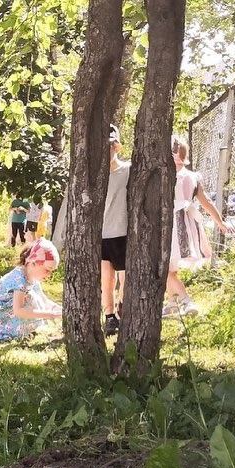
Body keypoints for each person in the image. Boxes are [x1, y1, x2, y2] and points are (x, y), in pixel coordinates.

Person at [163, 135, 234, 318]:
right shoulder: (193, 176)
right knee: (171, 267)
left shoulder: (169, 176)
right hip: (188, 223)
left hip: (172, 224)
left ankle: (186, 300)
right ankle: (172, 303)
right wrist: (220, 222)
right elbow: (206, 202)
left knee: (165, 268)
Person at [0, 238, 62, 342]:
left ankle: (22, 331)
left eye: (51, 272)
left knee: (33, 296)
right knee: (30, 297)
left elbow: (44, 301)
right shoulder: (19, 279)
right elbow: (18, 310)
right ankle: (9, 332)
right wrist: (47, 314)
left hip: (6, 312)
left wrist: (62, 311)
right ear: (33, 263)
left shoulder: (32, 279)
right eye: (47, 270)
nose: (49, 275)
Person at [100, 124, 131, 337]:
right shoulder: (93, 176)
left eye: (110, 147)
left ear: (117, 147)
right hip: (101, 234)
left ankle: (122, 306)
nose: (107, 152)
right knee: (106, 278)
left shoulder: (127, 170)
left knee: (125, 276)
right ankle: (109, 316)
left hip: (121, 231)